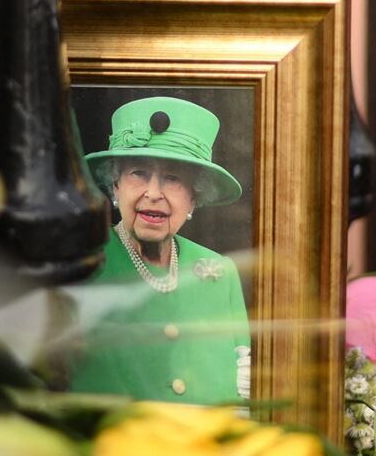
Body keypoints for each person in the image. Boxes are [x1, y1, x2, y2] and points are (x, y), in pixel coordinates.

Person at [70, 96, 250, 405]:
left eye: (173, 178)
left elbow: (242, 386)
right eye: (138, 173)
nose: (153, 193)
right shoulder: (82, 265)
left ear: (194, 198)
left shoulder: (219, 270)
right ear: (115, 186)